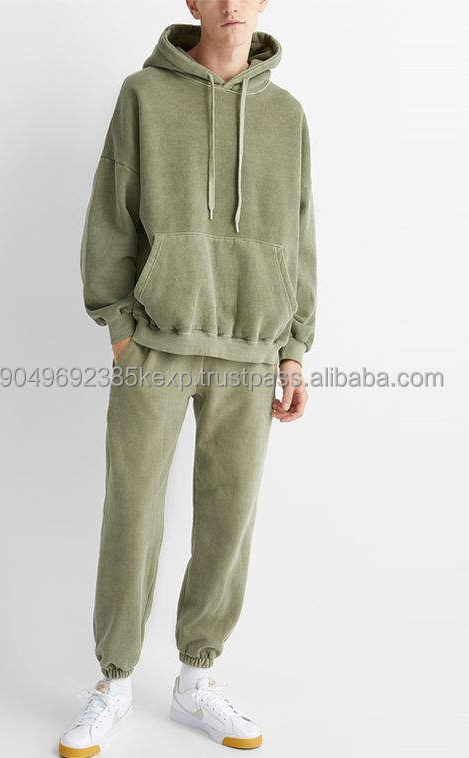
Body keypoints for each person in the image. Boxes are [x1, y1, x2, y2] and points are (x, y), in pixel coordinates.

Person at [59, 2, 317, 755]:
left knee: (228, 518)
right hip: (156, 343)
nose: (232, 3)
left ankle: (196, 679)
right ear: (192, 2)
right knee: (132, 510)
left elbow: (301, 233)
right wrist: (118, 325)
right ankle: (113, 683)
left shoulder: (287, 115)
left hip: (252, 348)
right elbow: (111, 212)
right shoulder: (144, 94)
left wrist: (294, 348)